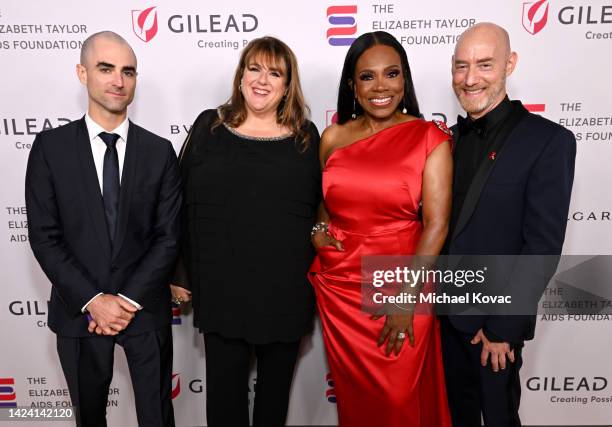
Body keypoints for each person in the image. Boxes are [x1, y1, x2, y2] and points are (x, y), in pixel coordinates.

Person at [25, 31, 180, 427]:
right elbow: (45, 236)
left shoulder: (159, 151)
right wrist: (94, 299)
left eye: (128, 72)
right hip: (80, 310)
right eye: (105, 68)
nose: (118, 81)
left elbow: (168, 236)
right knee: (89, 418)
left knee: (157, 417)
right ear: (82, 73)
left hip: (143, 309)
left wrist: (125, 300)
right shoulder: (50, 147)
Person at [170, 36, 320, 427]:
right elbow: (179, 201)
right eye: (254, 68)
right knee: (223, 401)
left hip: (285, 292)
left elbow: (322, 209)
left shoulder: (307, 136)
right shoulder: (209, 126)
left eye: (275, 72)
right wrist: (179, 273)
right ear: (240, 77)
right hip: (221, 289)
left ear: (288, 85)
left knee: (273, 403)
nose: (262, 80)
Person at [308, 31, 453, 427]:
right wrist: (319, 228)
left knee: (398, 398)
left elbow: (436, 225)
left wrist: (407, 298)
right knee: (358, 403)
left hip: (401, 278)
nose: (381, 87)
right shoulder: (333, 138)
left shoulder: (430, 138)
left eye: (392, 74)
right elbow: (326, 197)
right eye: (367, 77)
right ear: (352, 86)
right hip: (341, 286)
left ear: (404, 80)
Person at [440, 23, 576, 426]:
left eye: (484, 64)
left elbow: (543, 245)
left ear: (509, 64)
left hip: (492, 329)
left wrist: (503, 327)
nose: (470, 78)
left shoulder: (549, 141)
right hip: (443, 321)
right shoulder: (445, 140)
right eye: (461, 66)